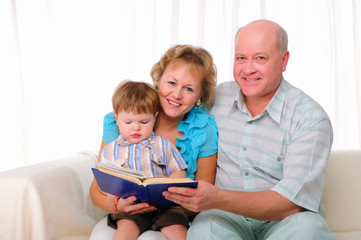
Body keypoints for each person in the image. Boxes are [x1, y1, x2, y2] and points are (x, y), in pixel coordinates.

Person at [163, 19, 336, 239]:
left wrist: (216, 198)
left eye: (260, 58)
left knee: (308, 230)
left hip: (287, 220)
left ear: (284, 61)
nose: (248, 69)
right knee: (206, 227)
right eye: (240, 58)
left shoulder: (310, 119)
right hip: (224, 217)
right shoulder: (215, 99)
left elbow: (292, 203)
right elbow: (174, 108)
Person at [89, 44, 218, 239]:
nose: (176, 94)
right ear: (159, 80)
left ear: (200, 95)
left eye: (189, 89)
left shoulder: (203, 129)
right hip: (128, 212)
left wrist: (168, 200)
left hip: (175, 214)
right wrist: (118, 204)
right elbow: (97, 188)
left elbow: (205, 196)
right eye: (172, 83)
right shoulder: (126, 118)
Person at [99, 80, 189, 240]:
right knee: (125, 231)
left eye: (144, 122)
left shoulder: (162, 144)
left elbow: (180, 173)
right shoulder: (111, 150)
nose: (136, 128)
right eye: (128, 122)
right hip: (131, 209)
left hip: (164, 207)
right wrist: (111, 194)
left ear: (154, 118)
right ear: (116, 118)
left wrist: (165, 184)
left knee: (178, 230)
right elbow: (104, 180)